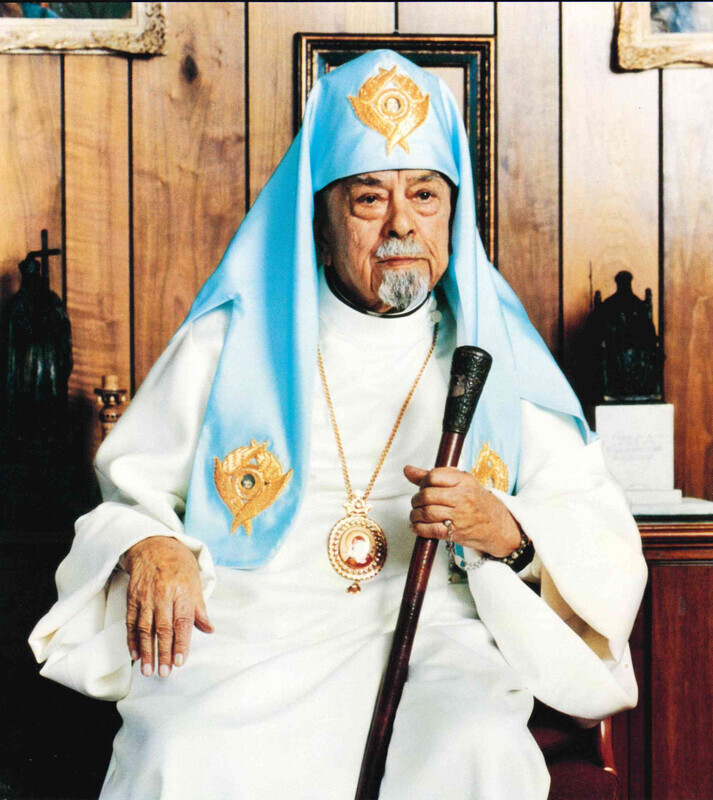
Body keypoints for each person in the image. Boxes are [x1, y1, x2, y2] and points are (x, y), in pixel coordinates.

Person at [30, 51, 647, 800]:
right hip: (254, 630)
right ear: (318, 218)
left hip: (437, 634)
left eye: (424, 195)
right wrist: (151, 544)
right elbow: (129, 499)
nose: (401, 225)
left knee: (474, 747)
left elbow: (598, 533)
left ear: (454, 209)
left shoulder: (498, 353)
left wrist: (505, 531)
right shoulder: (234, 338)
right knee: (181, 748)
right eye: (367, 199)